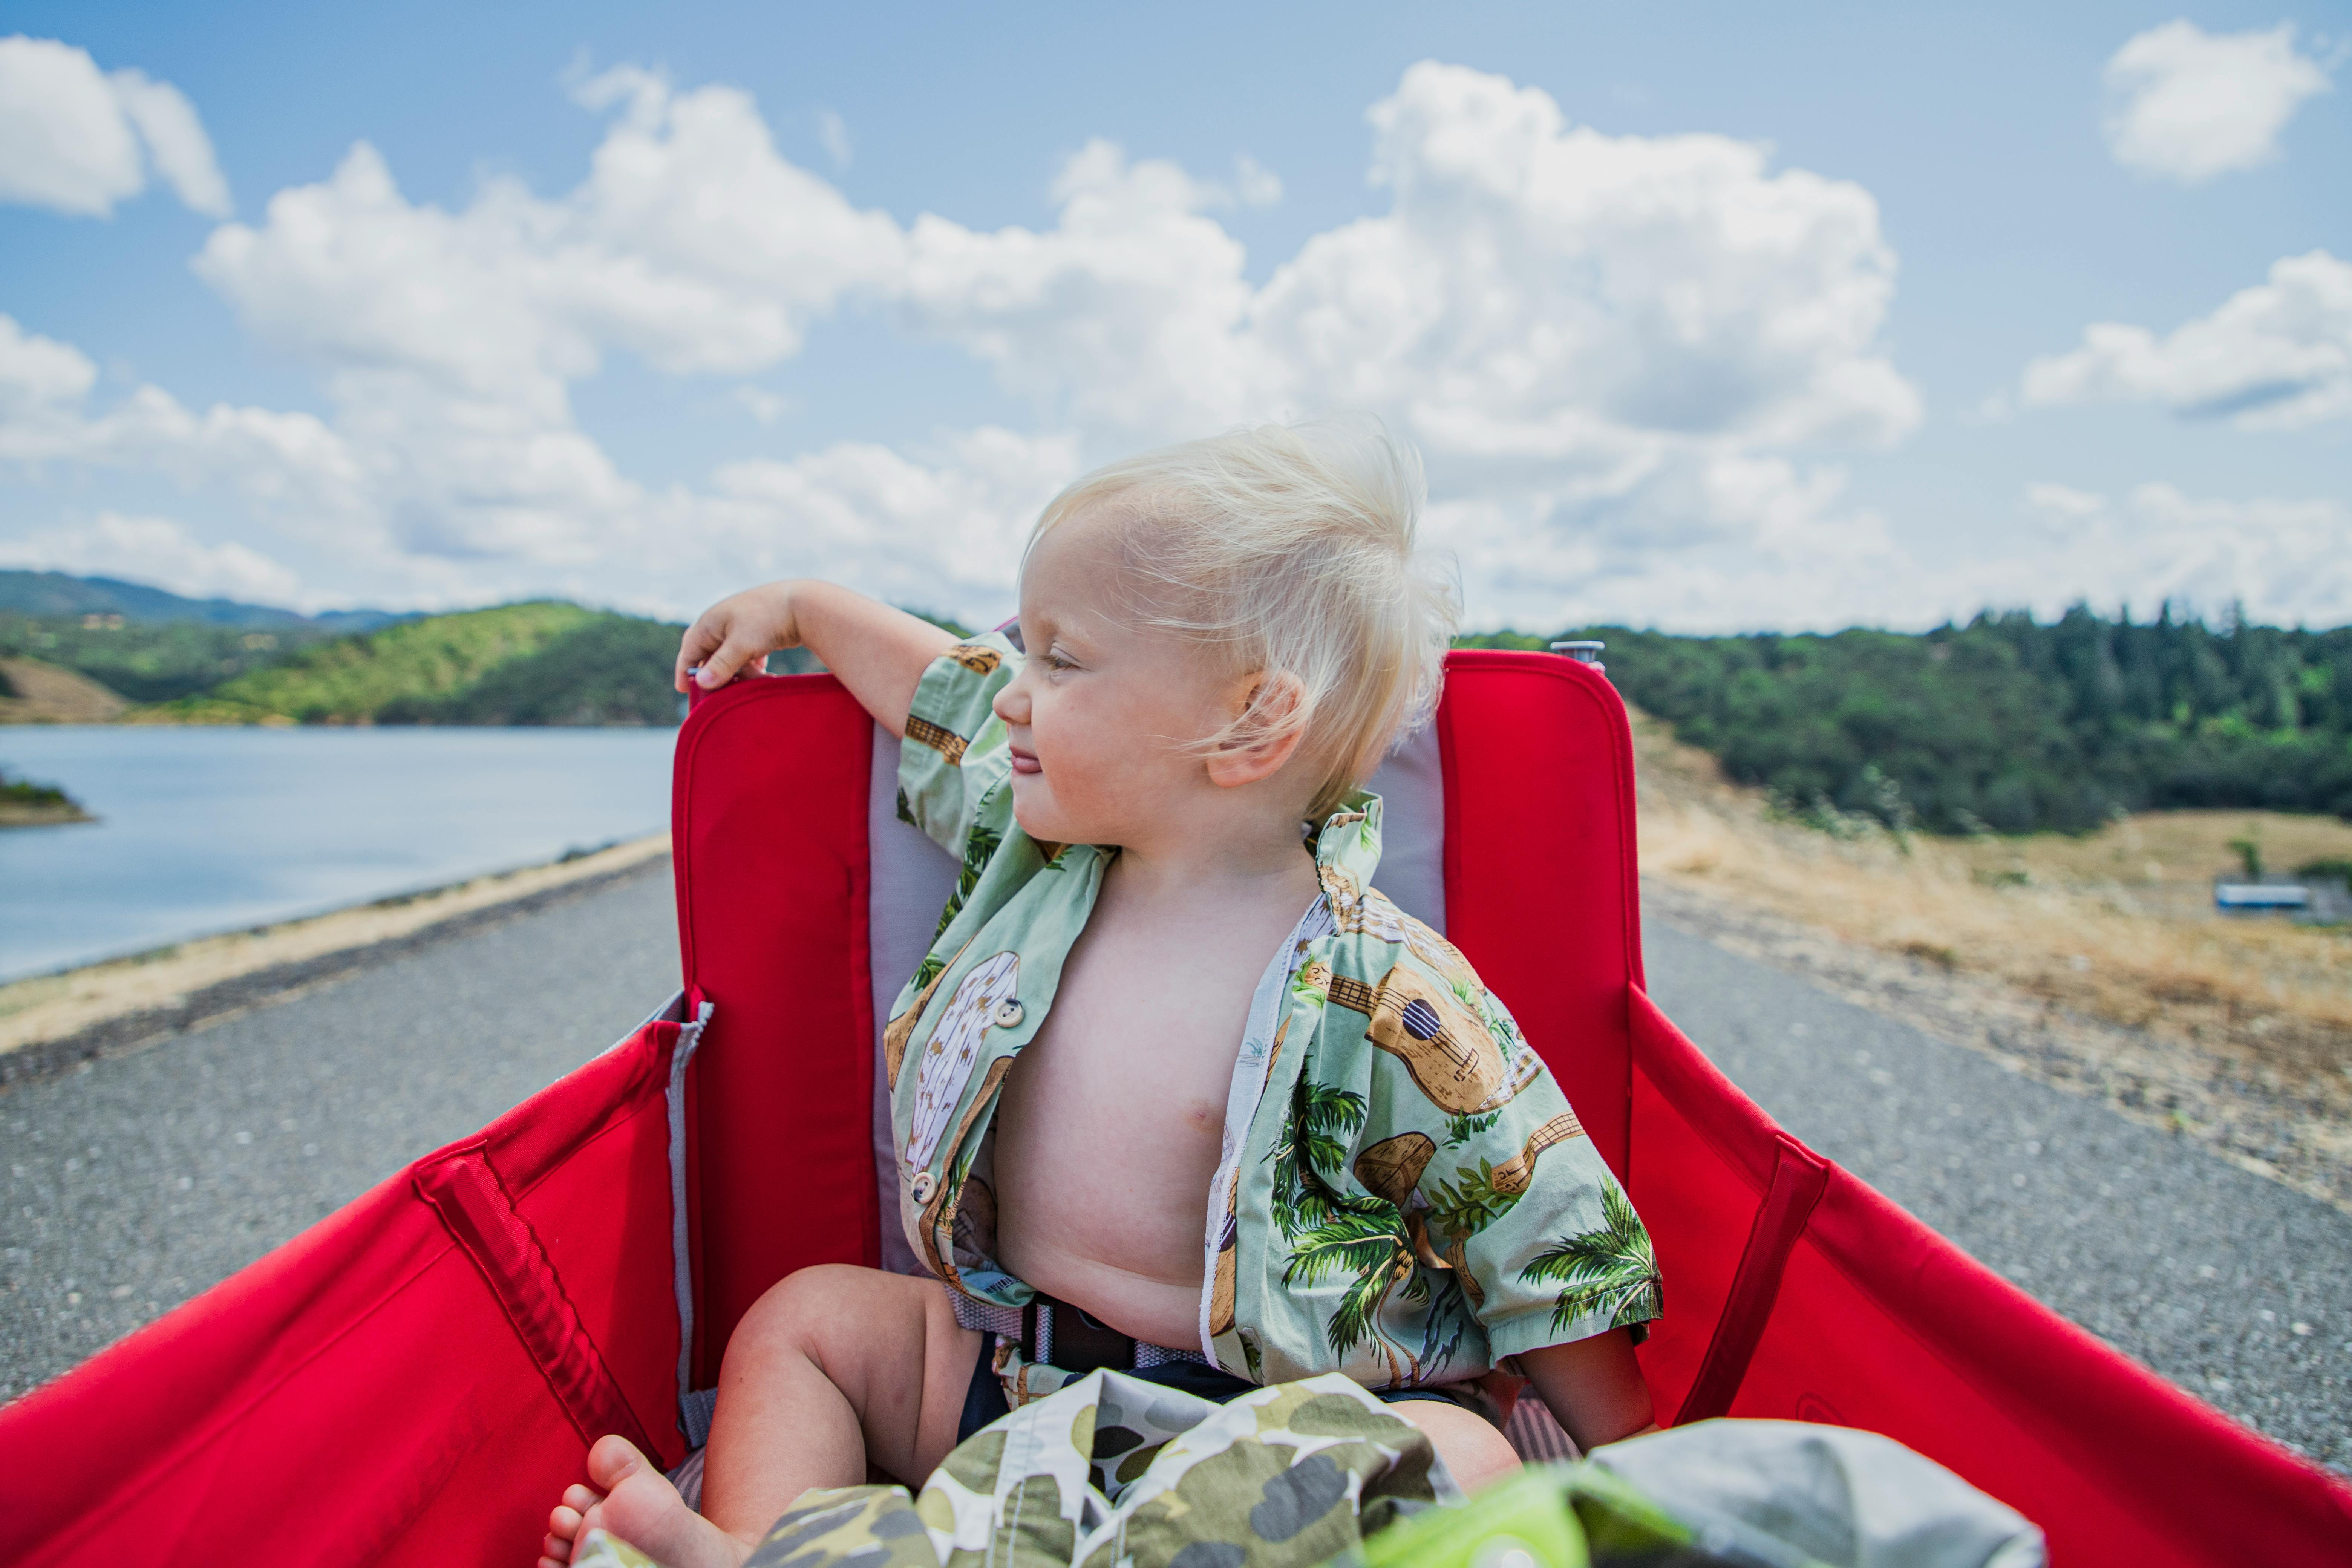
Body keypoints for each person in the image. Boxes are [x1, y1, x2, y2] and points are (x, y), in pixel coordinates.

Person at [542, 419, 1662, 1568]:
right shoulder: (1033, 861)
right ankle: (756, 1548)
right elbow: (950, 701)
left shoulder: (1382, 984)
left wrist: (1648, 1477)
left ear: (1249, 722)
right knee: (804, 1322)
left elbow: (1536, 1235)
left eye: (1059, 661)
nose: (1017, 697)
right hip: (1013, 1376)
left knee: (1455, 1453)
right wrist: (806, 607)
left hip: (1275, 1422)